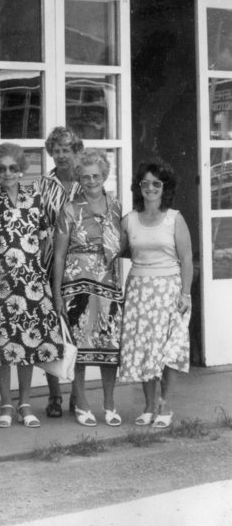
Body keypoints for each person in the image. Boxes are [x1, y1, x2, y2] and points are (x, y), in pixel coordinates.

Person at [0, 142, 64, 429]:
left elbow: (46, 237)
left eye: (13, 168)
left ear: (21, 170)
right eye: (2, 168)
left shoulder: (35, 198)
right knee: (5, 345)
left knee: (28, 342)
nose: (7, 173)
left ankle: (26, 402)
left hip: (31, 284)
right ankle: (6, 403)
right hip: (1, 285)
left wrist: (38, 271)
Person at [118, 160, 193, 428]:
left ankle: (165, 404)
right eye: (145, 183)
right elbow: (120, 250)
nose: (150, 188)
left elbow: (186, 259)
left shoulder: (175, 218)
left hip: (169, 290)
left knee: (168, 349)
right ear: (139, 187)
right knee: (144, 348)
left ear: (165, 188)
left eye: (156, 183)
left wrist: (186, 294)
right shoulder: (129, 220)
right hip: (139, 290)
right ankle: (149, 406)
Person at [52, 149, 124, 427]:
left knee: (109, 347)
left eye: (96, 175)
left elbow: (123, 244)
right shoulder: (69, 209)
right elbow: (58, 254)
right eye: (85, 176)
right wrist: (57, 293)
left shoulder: (116, 205)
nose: (91, 180)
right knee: (79, 349)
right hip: (76, 284)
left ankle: (109, 403)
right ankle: (81, 403)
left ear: (104, 175)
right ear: (78, 178)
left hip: (107, 283)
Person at [34, 126, 84, 418]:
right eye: (57, 150)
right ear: (50, 153)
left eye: (67, 149)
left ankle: (78, 396)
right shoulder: (42, 184)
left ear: (76, 151)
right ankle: (54, 395)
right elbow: (37, 222)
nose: (62, 155)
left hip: (80, 265)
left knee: (77, 329)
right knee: (52, 330)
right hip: (49, 263)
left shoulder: (89, 181)